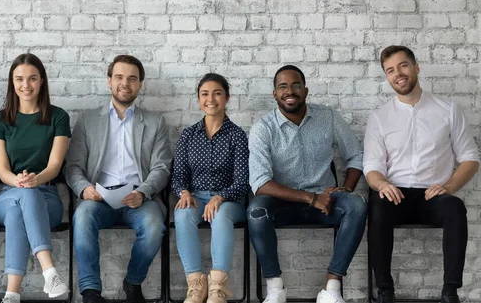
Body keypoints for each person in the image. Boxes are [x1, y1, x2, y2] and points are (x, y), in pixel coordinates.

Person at [364, 45, 479, 303]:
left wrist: (449, 187)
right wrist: (381, 184)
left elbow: (470, 158)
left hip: (433, 194)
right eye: (390, 70)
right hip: (396, 195)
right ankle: (385, 291)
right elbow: (371, 168)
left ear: (416, 67)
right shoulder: (380, 117)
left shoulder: (448, 109)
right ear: (387, 77)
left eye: (403, 66)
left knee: (455, 207)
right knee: (377, 205)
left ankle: (450, 291)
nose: (398, 74)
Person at [247, 65, 367, 303]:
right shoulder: (263, 128)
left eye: (296, 85)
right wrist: (310, 198)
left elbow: (355, 155)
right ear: (275, 94)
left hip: (326, 203)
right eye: (283, 86)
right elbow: (260, 183)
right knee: (256, 210)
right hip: (282, 204)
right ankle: (275, 290)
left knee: (357, 205)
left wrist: (347, 188)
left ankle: (331, 289)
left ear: (306, 90)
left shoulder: (328, 117)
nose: (289, 91)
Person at [65, 55, 172, 303]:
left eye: (132, 78)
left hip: (139, 197)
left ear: (140, 85)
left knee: (155, 227)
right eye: (120, 77)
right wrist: (85, 190)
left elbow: (161, 167)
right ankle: (91, 292)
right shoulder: (88, 120)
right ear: (109, 81)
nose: (126, 83)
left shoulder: (156, 123)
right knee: (82, 217)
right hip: (99, 196)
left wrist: (143, 192)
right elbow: (73, 167)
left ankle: (133, 283)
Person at [0, 53, 71, 303]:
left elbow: (55, 166)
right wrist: (21, 182)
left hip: (47, 198)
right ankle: (50, 271)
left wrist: (36, 180)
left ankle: (12, 293)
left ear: (42, 81)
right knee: (21, 198)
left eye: (32, 78)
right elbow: (2, 170)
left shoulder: (58, 117)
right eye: (20, 79)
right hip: (7, 194)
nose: (26, 85)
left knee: (19, 212)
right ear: (12, 83)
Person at [172, 73, 249, 303]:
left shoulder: (237, 135)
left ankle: (217, 289)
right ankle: (196, 286)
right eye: (205, 94)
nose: (211, 99)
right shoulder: (188, 135)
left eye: (217, 93)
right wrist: (183, 192)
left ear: (227, 98)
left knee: (221, 213)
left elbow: (243, 181)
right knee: (183, 214)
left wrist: (220, 197)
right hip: (196, 198)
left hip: (229, 202)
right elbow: (177, 175)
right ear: (198, 99)